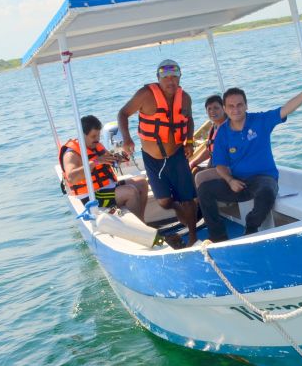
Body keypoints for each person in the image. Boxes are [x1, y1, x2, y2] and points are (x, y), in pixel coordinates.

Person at [197, 80, 302, 242]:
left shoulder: (260, 121)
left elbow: (285, 109)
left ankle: (251, 227)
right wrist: (230, 180)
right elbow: (220, 165)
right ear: (225, 109)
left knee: (267, 191)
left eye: (240, 105)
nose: (236, 109)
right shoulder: (222, 133)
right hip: (237, 180)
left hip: (263, 178)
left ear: (246, 106)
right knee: (204, 189)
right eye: (231, 106)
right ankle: (218, 237)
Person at [117, 59, 199, 246]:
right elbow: (122, 113)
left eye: (174, 77)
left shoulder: (185, 98)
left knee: (188, 199)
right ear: (158, 78)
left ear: (179, 77)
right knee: (164, 201)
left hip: (176, 155)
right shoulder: (145, 95)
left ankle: (193, 237)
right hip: (152, 158)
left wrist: (190, 141)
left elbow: (189, 120)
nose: (170, 81)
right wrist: (127, 138)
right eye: (165, 77)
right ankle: (179, 210)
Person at [60, 115, 149, 218]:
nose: (97, 139)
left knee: (142, 183)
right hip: (92, 196)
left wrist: (121, 157)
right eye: (93, 136)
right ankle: (138, 228)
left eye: (98, 135)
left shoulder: (96, 145)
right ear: (82, 135)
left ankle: (141, 220)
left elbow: (109, 161)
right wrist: (96, 162)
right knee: (130, 192)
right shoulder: (71, 154)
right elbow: (72, 177)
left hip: (107, 187)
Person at [189, 94, 227, 187]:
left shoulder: (228, 128)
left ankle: (198, 200)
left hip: (225, 169)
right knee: (192, 170)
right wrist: (194, 163)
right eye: (209, 109)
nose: (212, 111)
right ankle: (195, 200)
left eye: (216, 108)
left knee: (197, 175)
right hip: (213, 165)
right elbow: (210, 150)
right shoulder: (214, 127)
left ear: (224, 108)